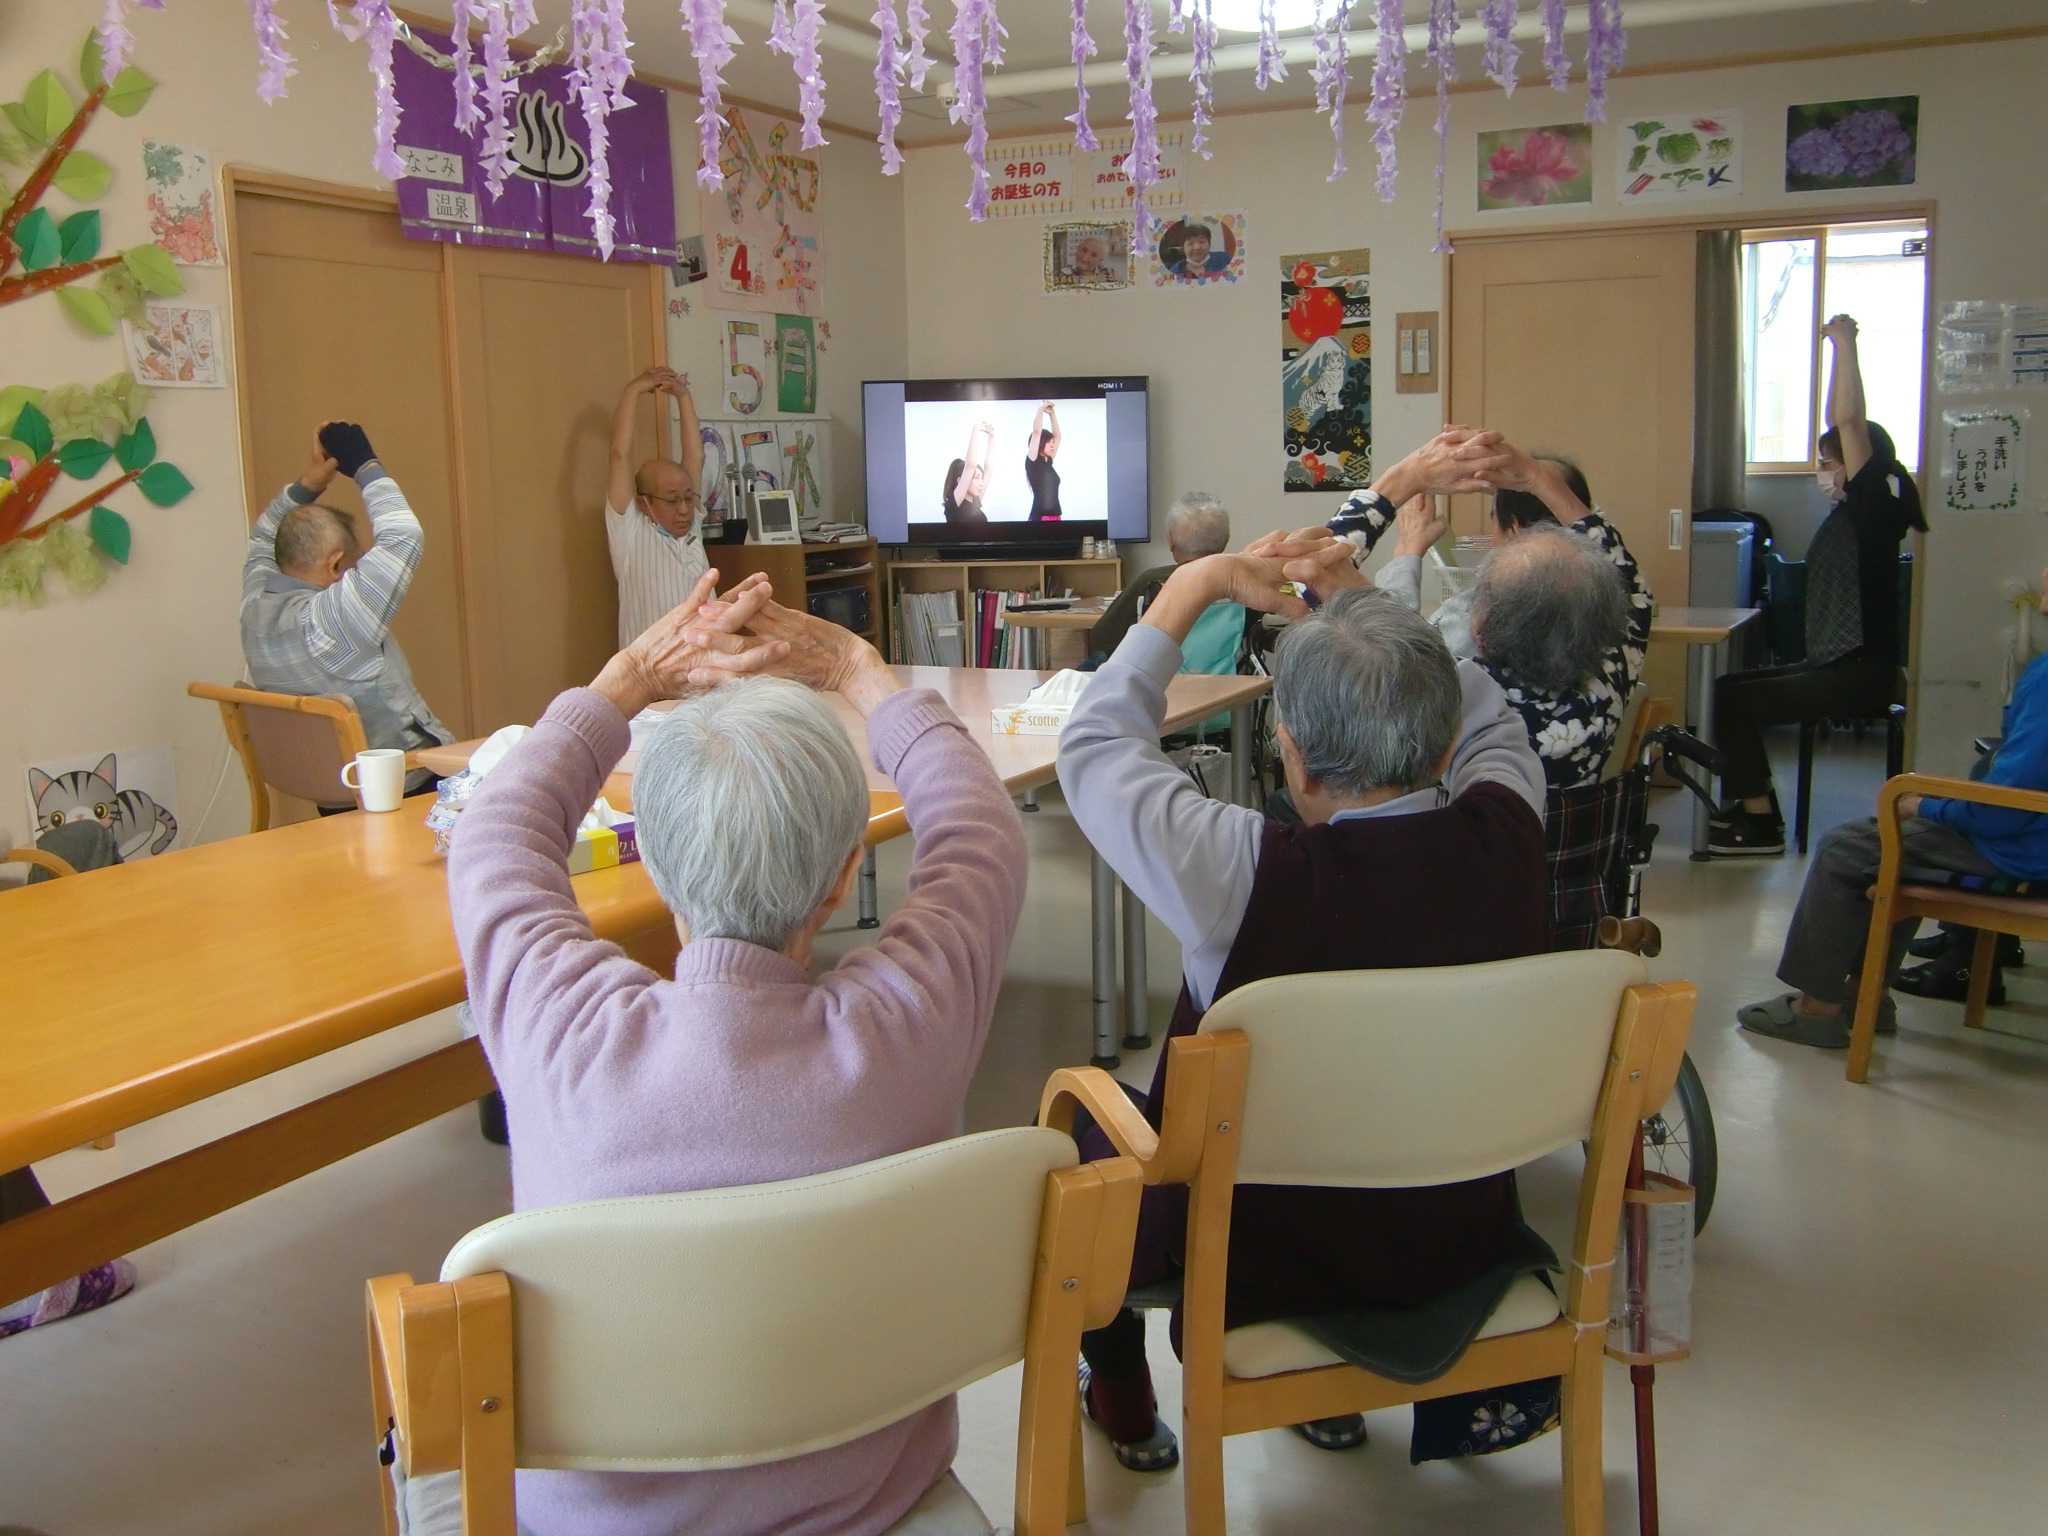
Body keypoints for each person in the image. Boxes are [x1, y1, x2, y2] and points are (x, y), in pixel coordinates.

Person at [446, 571, 1028, 1535]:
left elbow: (494, 839)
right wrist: (856, 669)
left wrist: (628, 679)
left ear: (656, 869)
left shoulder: (562, 1033)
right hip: (868, 1508)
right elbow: (983, 834)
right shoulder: (908, 1029)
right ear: (846, 877)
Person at [1058, 547, 1555, 1472]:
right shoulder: (1511, 833)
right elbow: (1487, 710)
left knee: (1075, 1135)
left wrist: (1192, 584)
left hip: (1266, 1263)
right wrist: (1362, 601)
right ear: (1446, 747)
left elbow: (1093, 748)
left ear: (1290, 752)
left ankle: (1121, 1395)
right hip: (1451, 1240)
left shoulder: (1240, 873)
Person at [1741, 570, 2048, 1049]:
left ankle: (1817, 1008)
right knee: (1897, 845)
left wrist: (1929, 804)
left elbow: (2004, 810)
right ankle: (1868, 996)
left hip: (2024, 847)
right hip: (2030, 833)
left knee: (1851, 847)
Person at [1708, 314, 1926, 857]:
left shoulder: (1875, 508)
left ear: (1857, 465)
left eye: (1828, 463)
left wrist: (1844, 345)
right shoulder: (1858, 514)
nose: (1823, 472)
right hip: (1837, 663)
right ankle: (1756, 809)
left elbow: (1850, 419)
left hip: (1859, 674)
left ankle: (1758, 825)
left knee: (1734, 704)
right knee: (1729, 689)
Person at [1330, 435, 1655, 790]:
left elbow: (1372, 630)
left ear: (1479, 629)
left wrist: (1403, 482)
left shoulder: (1448, 697)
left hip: (1459, 845)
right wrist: (1537, 478)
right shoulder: (1611, 670)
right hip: (1562, 842)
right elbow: (1628, 581)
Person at [242, 422, 452, 802]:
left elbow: (262, 537)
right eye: (355, 566)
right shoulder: (334, 619)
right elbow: (404, 535)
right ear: (336, 566)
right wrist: (363, 464)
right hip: (407, 790)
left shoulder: (254, 610)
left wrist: (312, 481)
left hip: (333, 795)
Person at [1469, 522, 1637, 790]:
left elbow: (1381, 640)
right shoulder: (1610, 683)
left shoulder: (1454, 697)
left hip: (1480, 832)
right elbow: (1636, 589)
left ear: (1480, 627)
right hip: (1572, 831)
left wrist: (1392, 495)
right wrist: (1546, 483)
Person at [606, 365, 710, 648]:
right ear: (644, 502)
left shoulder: (692, 526)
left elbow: (695, 456)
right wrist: (634, 390)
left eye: (688, 498)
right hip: (651, 676)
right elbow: (618, 456)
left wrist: (683, 397)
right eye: (672, 499)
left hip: (702, 669)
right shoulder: (630, 532)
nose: (684, 510)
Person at [1087, 491, 1231, 660]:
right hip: (1234, 682)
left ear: (1170, 540)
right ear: (1226, 540)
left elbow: (1102, 638)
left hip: (1161, 683)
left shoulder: (1152, 581)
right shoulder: (1241, 581)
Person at [942, 420, 994, 525]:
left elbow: (988, 469)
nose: (981, 483)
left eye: (981, 478)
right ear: (960, 480)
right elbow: (970, 466)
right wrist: (977, 429)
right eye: (977, 477)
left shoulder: (975, 501)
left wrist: (992, 438)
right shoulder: (954, 504)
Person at [1025, 401, 1063, 522]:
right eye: (1049, 442)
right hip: (1039, 518)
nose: (1053, 445)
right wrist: (1040, 410)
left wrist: (1052, 414)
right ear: (1041, 443)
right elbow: (1037, 433)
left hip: (1056, 517)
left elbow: (1058, 436)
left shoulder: (1048, 463)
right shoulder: (1033, 462)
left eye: (1053, 443)